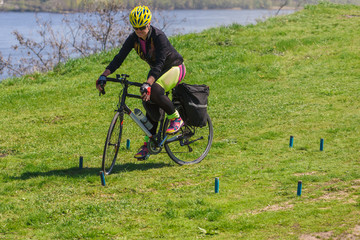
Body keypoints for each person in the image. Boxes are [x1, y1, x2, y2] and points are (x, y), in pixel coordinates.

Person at [96, 5, 186, 160]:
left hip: (174, 68)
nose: (139, 31)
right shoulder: (134, 39)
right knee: (148, 102)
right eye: (136, 28)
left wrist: (149, 83)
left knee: (155, 91)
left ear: (148, 24)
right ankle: (149, 144)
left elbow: (159, 64)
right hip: (157, 73)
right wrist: (103, 75)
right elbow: (119, 58)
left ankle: (176, 118)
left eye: (142, 27)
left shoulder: (159, 37)